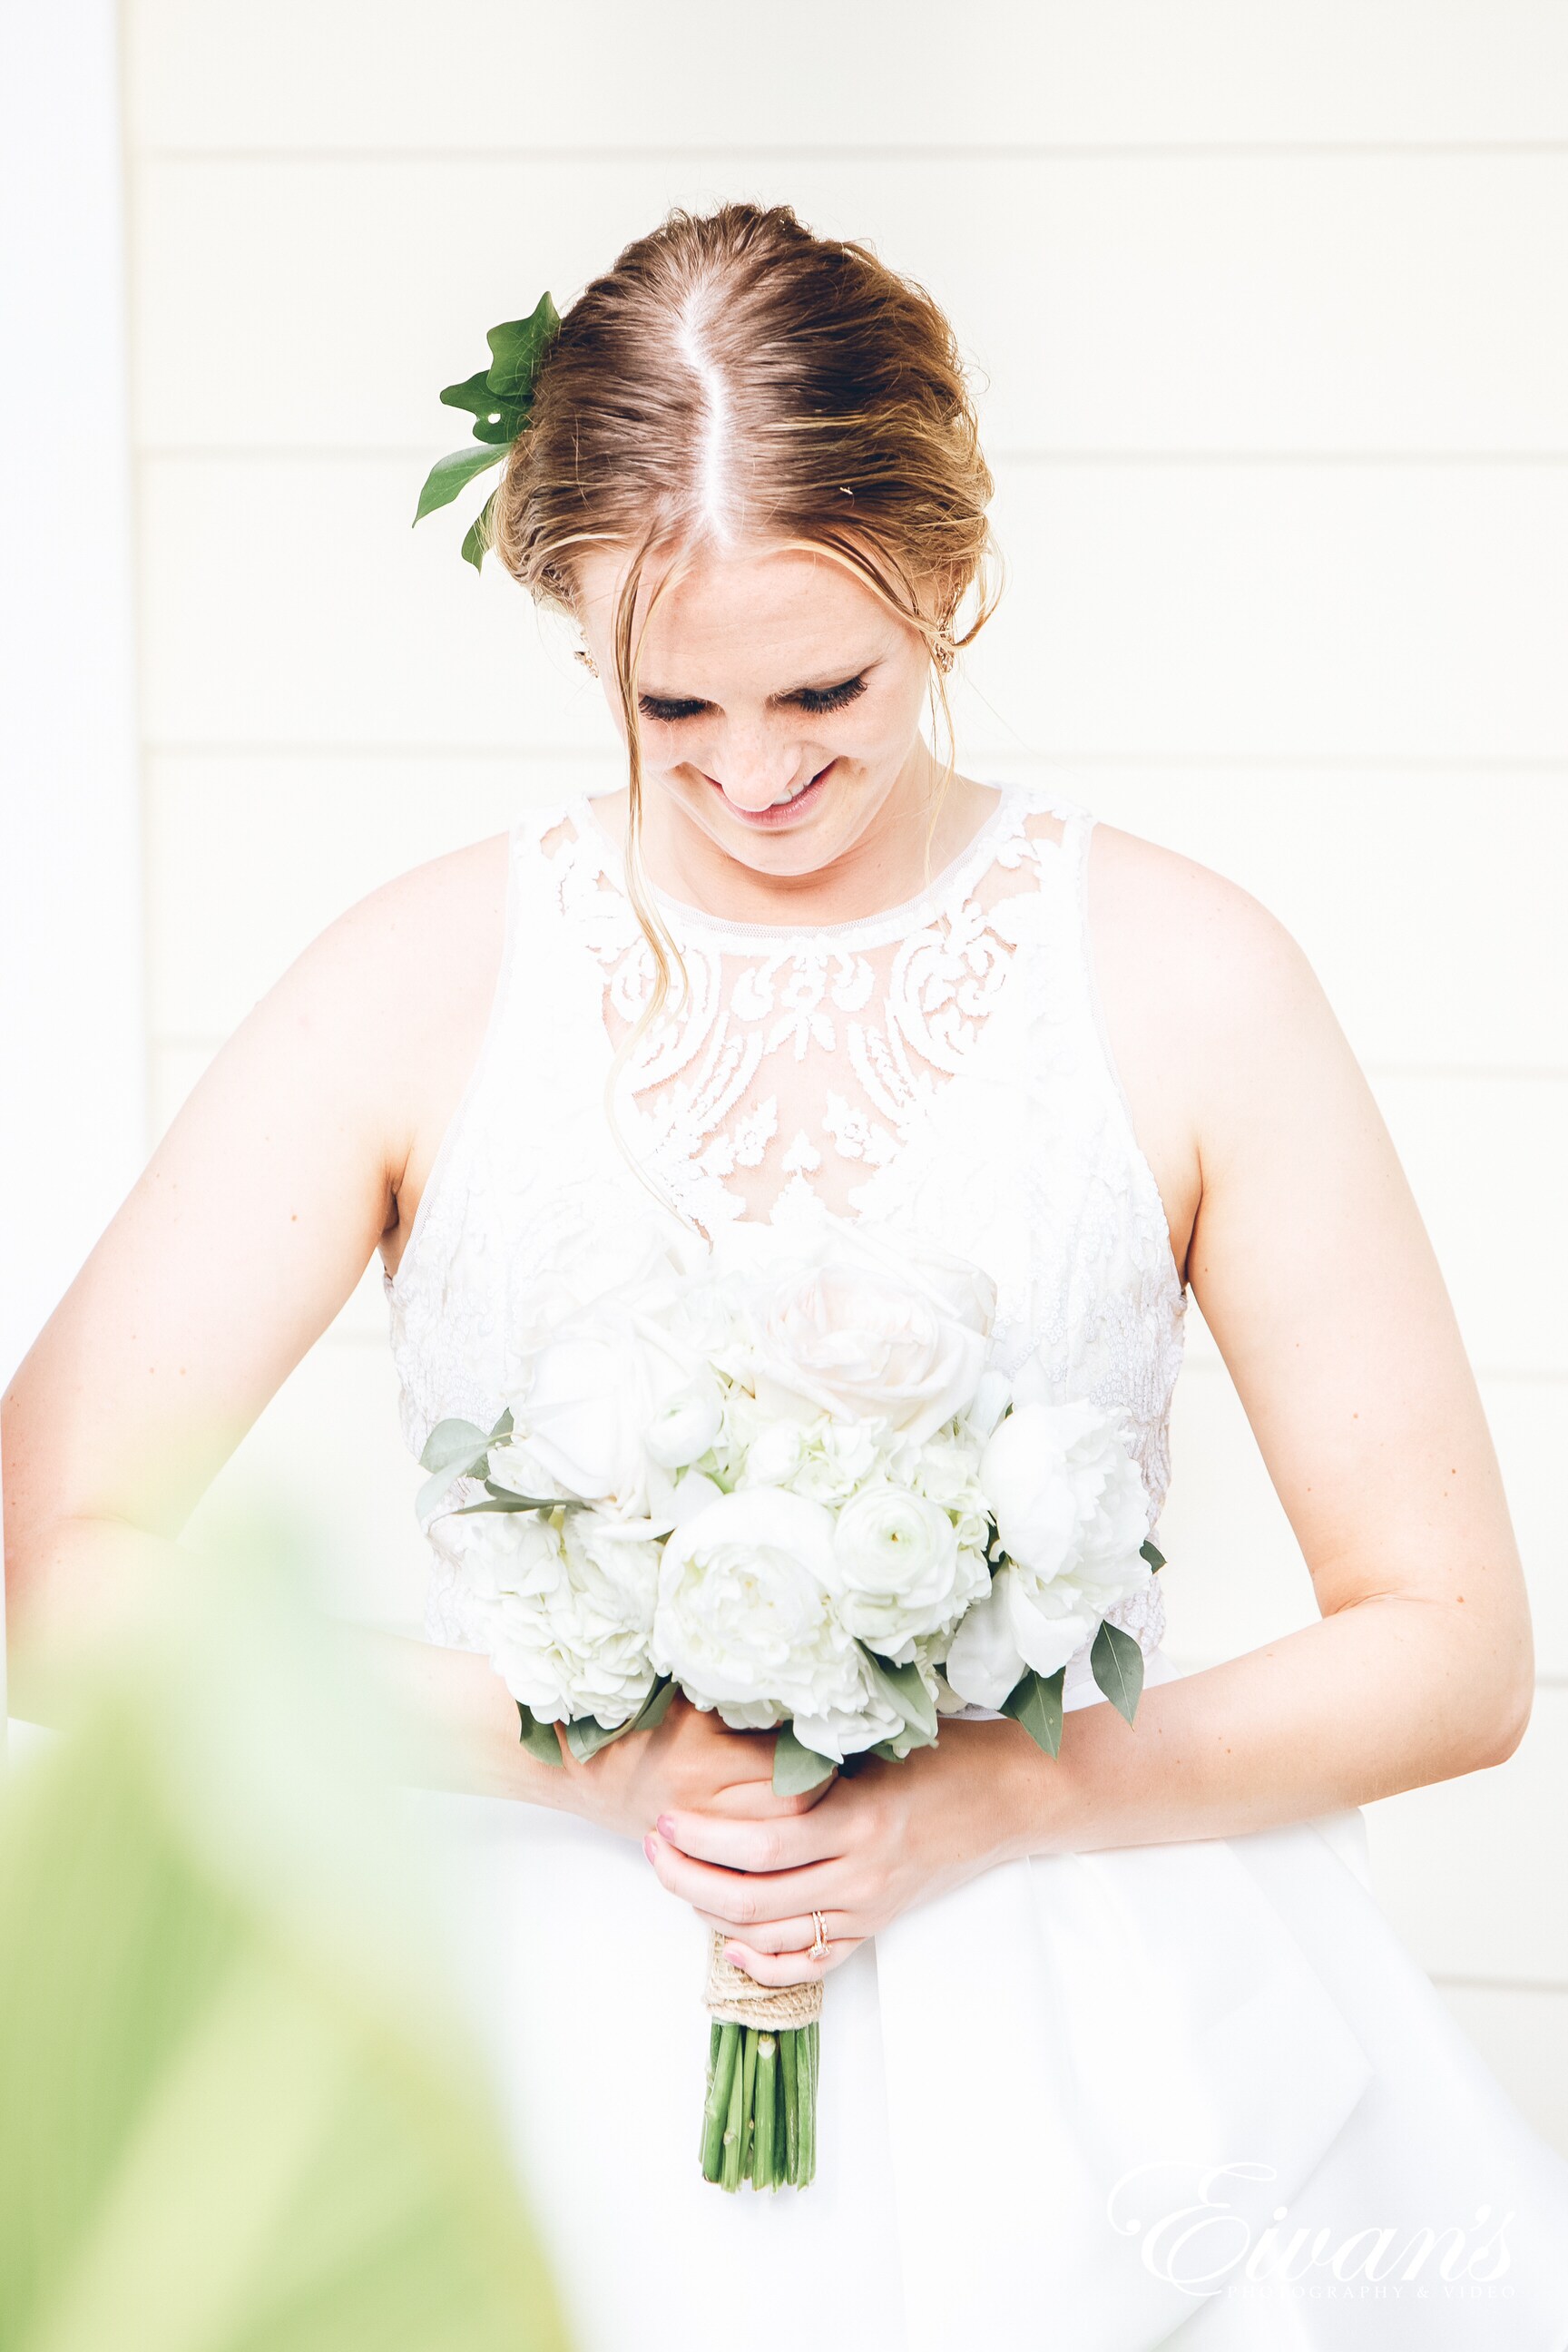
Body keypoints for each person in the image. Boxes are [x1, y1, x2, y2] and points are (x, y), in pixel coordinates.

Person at [5, 202, 1567, 2347]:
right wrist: (593, 1757)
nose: (754, 772)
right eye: (673, 704)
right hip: (529, 2006)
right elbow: (43, 1572)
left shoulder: (1190, 980)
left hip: (1085, 2015)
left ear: (951, 568)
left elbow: (1459, 1649)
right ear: (578, 634)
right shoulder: (416, 984)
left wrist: (994, 1797)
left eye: (827, 685)